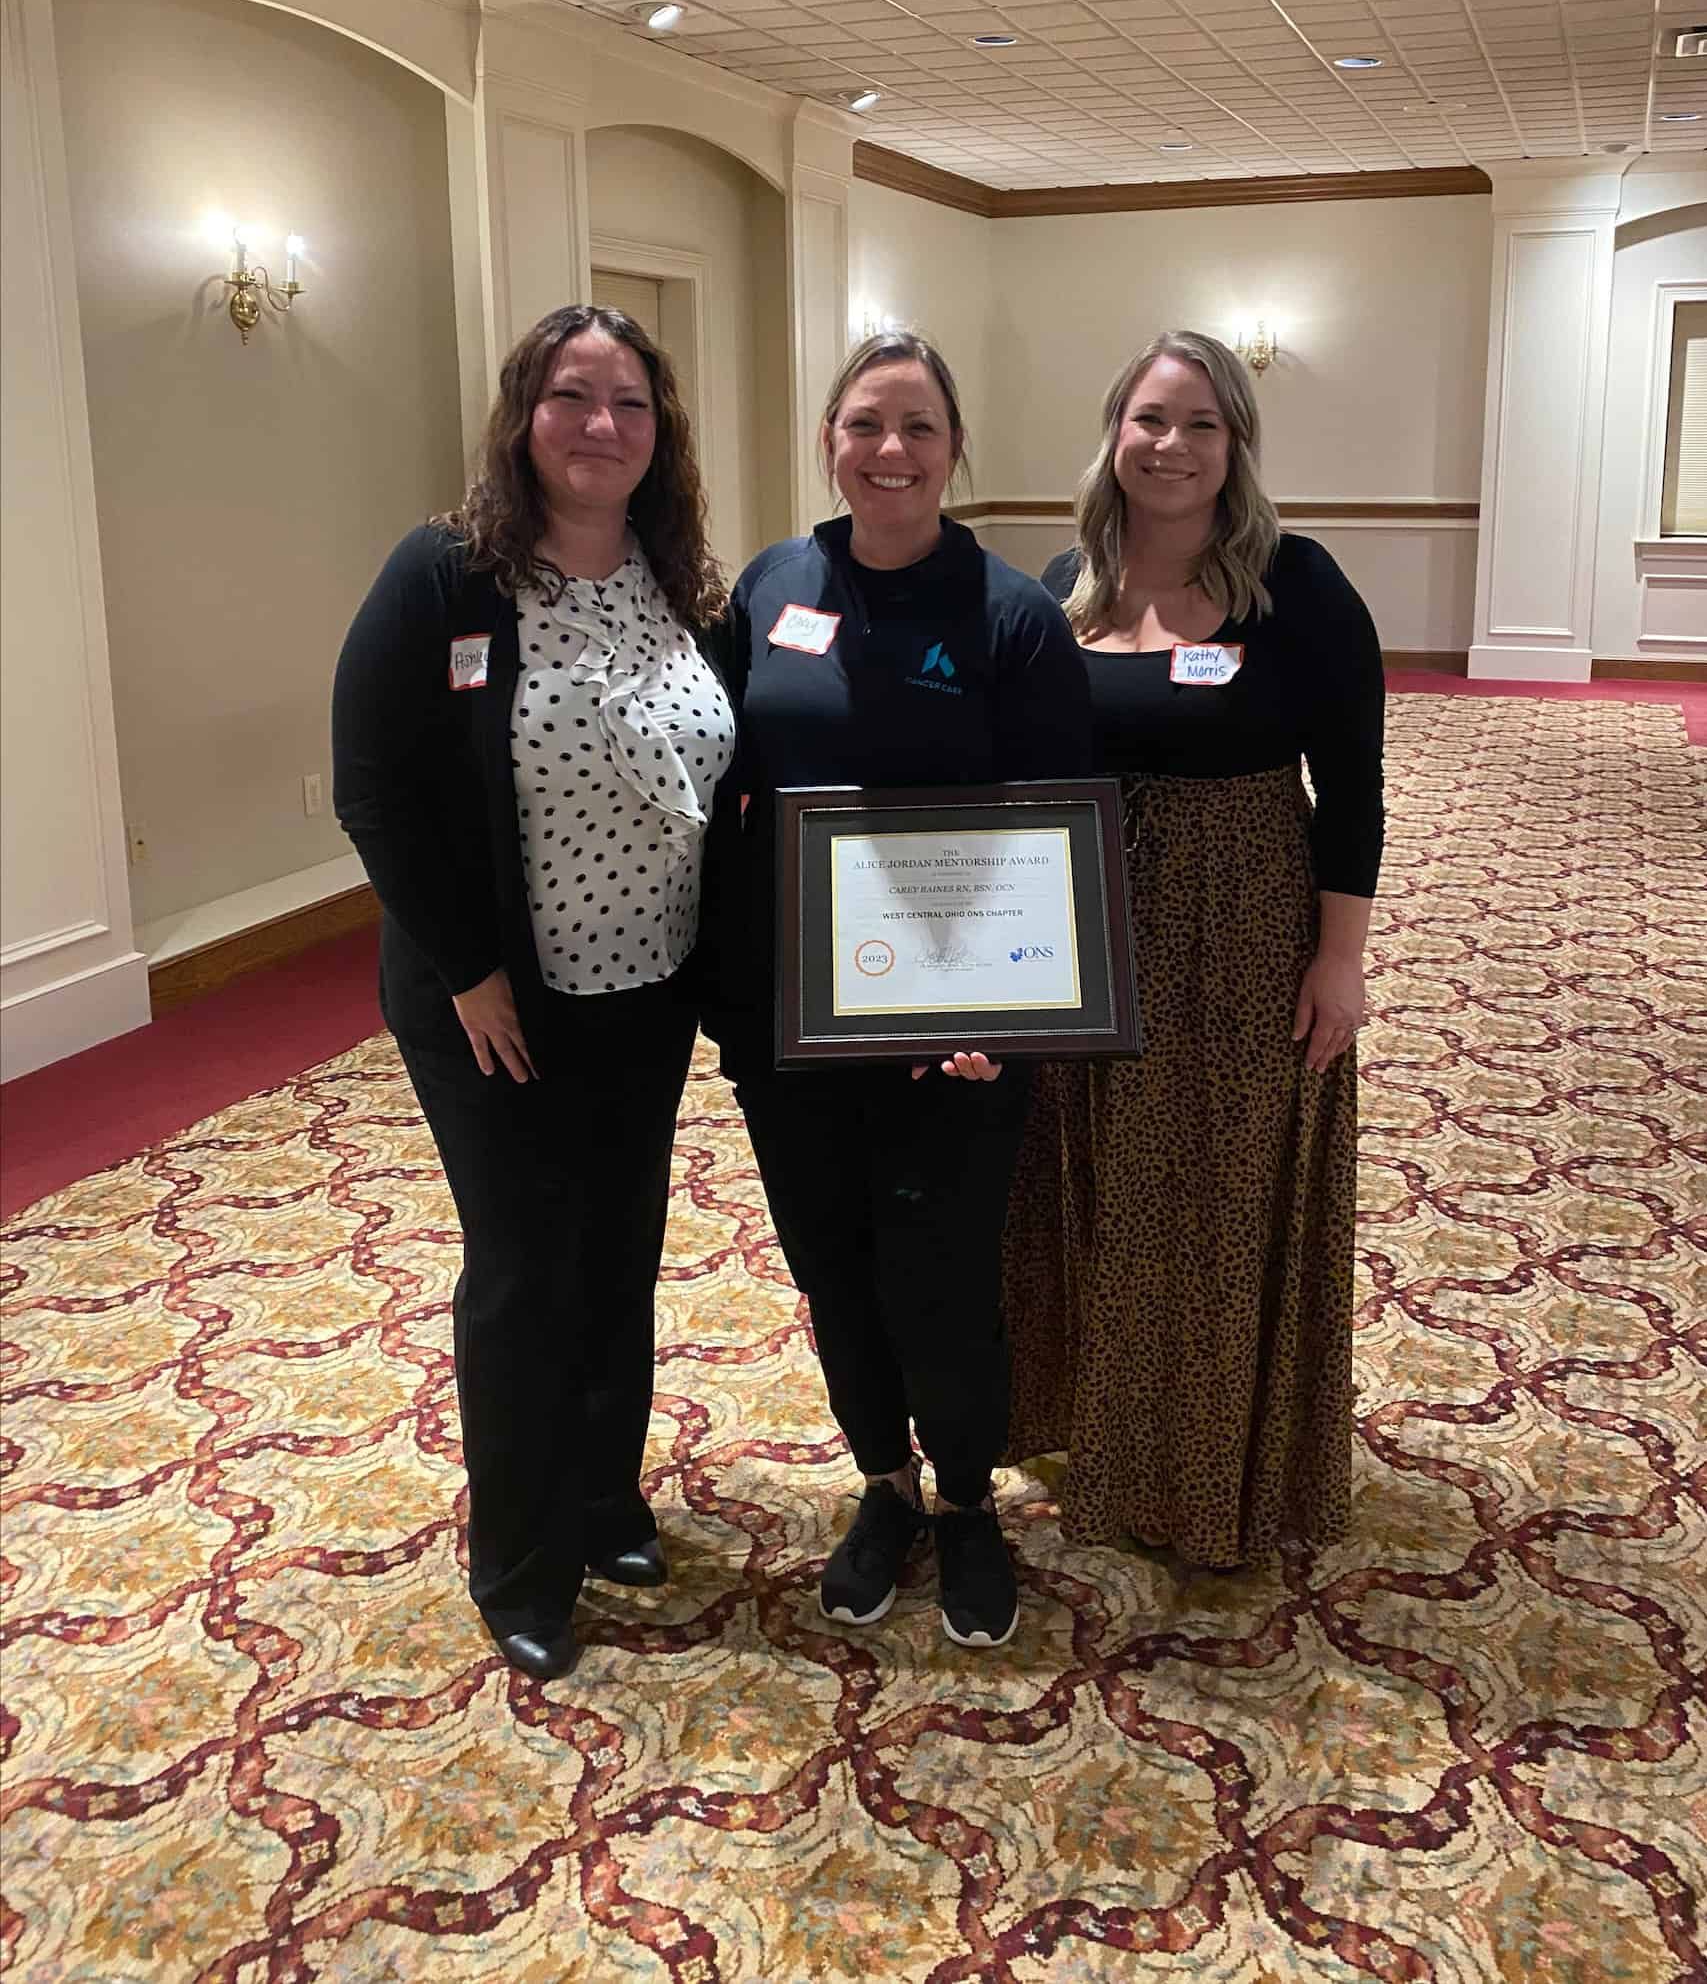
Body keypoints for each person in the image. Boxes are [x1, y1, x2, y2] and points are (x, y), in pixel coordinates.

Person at [332, 303, 737, 1681]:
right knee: (523, 1266)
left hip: (648, 984)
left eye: (628, 402)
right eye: (573, 397)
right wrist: (473, 970)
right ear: (524, 416)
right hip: (491, 997)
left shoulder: (681, 578)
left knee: (620, 1250)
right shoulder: (446, 577)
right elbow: (375, 787)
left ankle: (607, 1500)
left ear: (658, 431)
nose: (601, 426)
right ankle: (519, 1558)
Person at [706, 331, 1090, 1648]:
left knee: (941, 1270)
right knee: (834, 1264)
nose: (890, 451)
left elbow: (1055, 824)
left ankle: (970, 1502)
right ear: (828, 437)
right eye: (866, 423)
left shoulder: (1010, 617)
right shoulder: (771, 584)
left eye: (918, 427)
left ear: (954, 450)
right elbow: (714, 782)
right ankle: (884, 1484)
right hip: (790, 1015)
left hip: (954, 1022)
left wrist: (1009, 1014)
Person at [1003, 329, 1385, 1567]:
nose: (1173, 447)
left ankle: (1212, 1469)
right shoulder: (1068, 580)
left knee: (1218, 1191)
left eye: (1202, 424)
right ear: (1115, 431)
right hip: (1088, 927)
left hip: (1240, 921)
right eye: (1151, 419)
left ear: (1236, 446)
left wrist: (1339, 958)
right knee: (1095, 1173)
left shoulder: (1298, 582)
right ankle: (1100, 1431)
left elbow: (1356, 786)